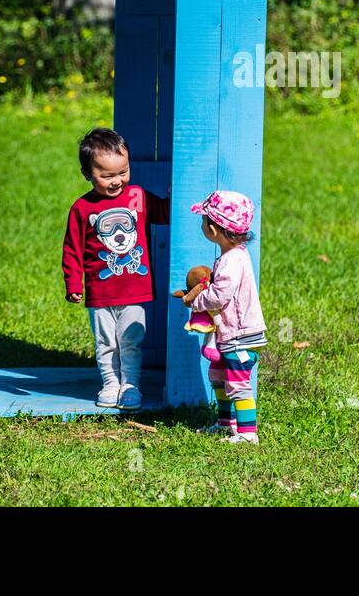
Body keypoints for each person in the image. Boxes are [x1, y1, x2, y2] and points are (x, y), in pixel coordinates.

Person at [62, 128, 169, 410]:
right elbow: (72, 249)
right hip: (100, 291)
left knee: (131, 340)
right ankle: (110, 383)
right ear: (87, 173)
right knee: (106, 342)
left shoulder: (138, 196)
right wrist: (73, 284)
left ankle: (131, 385)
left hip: (135, 289)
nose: (116, 181)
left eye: (123, 172)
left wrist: (177, 194)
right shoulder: (82, 208)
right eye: (107, 176)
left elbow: (164, 213)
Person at [181, 190, 266, 443]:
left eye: (203, 220)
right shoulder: (232, 256)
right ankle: (225, 423)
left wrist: (197, 302)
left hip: (241, 336)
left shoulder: (232, 260)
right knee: (219, 378)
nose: (202, 225)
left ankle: (248, 434)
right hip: (229, 335)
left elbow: (220, 295)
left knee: (238, 383)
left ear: (214, 229)